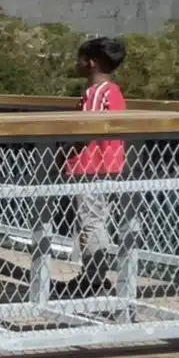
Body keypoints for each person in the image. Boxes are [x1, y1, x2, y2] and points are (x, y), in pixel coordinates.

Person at [68, 36, 128, 295]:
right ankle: (94, 276)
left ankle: (94, 280)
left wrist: (65, 150)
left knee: (91, 223)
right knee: (98, 220)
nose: (77, 64)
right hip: (110, 166)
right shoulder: (114, 92)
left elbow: (86, 129)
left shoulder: (96, 93)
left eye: (80, 59)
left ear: (91, 63)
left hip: (91, 167)